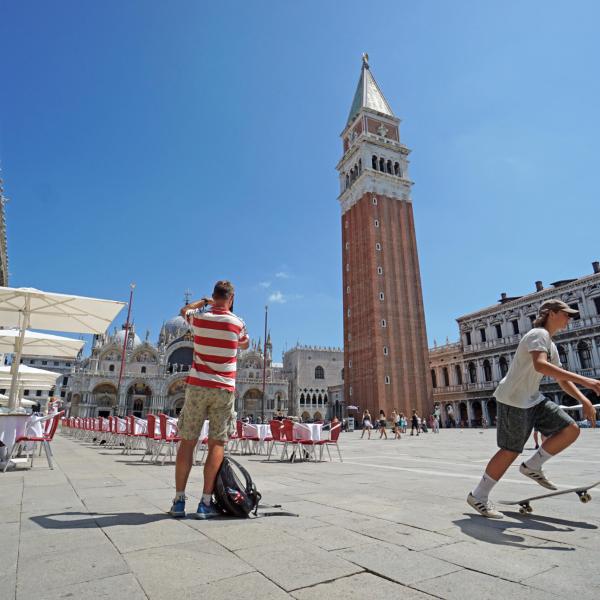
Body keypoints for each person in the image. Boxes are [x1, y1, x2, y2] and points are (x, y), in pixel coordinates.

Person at [467, 299, 599, 519]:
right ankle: (478, 495)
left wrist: (583, 400)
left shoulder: (551, 344)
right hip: (513, 399)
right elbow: (540, 365)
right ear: (551, 314)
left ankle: (532, 465)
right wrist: (587, 381)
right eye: (566, 314)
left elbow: (559, 378)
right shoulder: (538, 334)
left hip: (532, 398)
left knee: (571, 429)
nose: (569, 319)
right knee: (510, 450)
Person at [168, 281, 249, 519]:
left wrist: (204, 302)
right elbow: (244, 343)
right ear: (231, 298)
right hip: (223, 389)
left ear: (214, 296)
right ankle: (205, 503)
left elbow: (183, 311)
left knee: (188, 441)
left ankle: (179, 500)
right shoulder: (238, 323)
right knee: (217, 444)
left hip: (196, 387)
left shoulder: (199, 319)